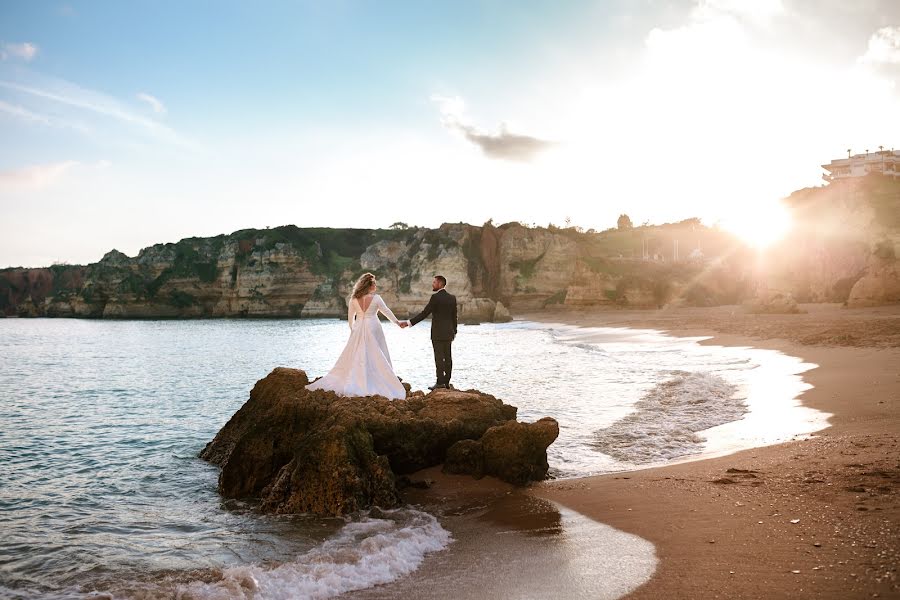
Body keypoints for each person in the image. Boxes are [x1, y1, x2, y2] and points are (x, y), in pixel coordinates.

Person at [307, 272, 407, 400]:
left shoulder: (354, 299)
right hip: (373, 326)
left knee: (359, 354)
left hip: (359, 327)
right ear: (369, 285)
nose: (375, 285)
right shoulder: (376, 298)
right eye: (374, 283)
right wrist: (398, 323)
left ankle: (359, 380)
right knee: (376, 353)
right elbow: (386, 311)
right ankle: (378, 379)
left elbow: (350, 318)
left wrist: (353, 330)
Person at [405, 275, 457, 390]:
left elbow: (424, 314)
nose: (432, 284)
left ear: (440, 284)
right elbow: (454, 317)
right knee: (448, 358)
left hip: (437, 333)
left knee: (439, 358)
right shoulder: (452, 298)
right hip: (449, 333)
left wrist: (409, 323)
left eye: (434, 282)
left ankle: (439, 382)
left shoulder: (435, 298)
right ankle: (447, 382)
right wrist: (454, 332)